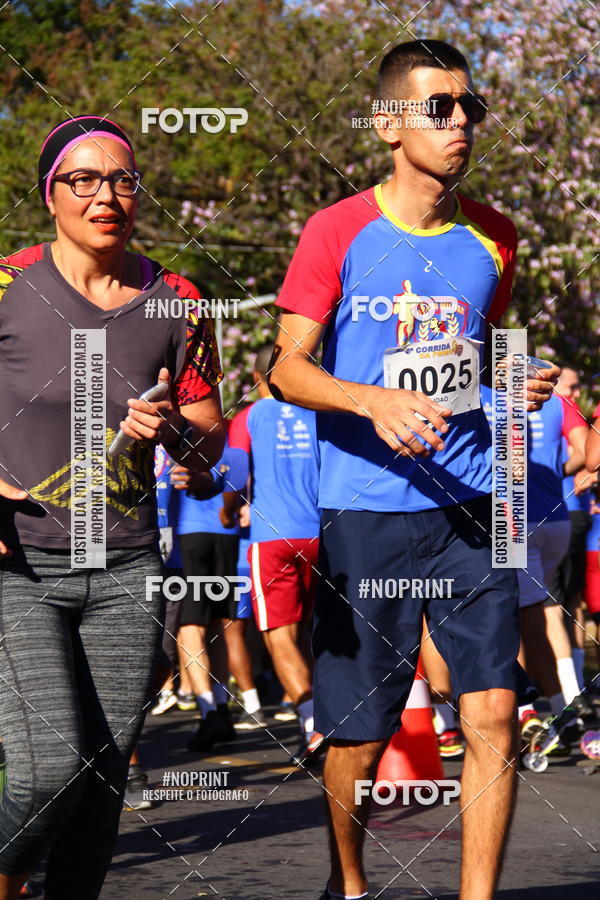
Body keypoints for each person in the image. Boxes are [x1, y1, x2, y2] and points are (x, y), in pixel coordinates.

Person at [267, 40, 559, 900]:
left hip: (475, 500)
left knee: (493, 709)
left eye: (471, 107)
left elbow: (478, 353)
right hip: (367, 509)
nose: (461, 121)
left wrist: (512, 377)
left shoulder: (495, 236)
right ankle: (349, 883)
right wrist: (372, 402)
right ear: (389, 124)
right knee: (361, 733)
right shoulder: (336, 230)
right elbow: (285, 370)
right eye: (440, 107)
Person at [0, 116, 224, 900]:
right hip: (19, 565)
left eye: (122, 180)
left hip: (126, 564)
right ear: (49, 195)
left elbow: (208, 443)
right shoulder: (7, 287)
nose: (106, 196)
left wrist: (172, 429)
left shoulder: (176, 301)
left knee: (100, 787)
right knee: (46, 770)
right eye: (84, 180)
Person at [228, 344, 321, 763]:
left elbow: (235, 476)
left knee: (278, 635)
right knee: (317, 634)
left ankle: (313, 725)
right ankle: (334, 717)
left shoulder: (249, 417)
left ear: (256, 379)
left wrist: (228, 510)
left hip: (272, 538)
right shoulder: (318, 412)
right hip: (320, 535)